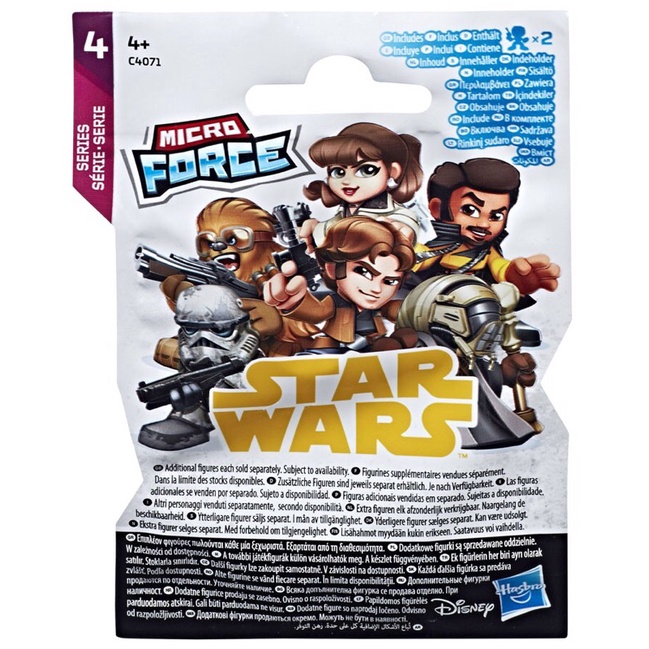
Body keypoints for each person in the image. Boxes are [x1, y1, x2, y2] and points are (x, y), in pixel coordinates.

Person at [264, 217, 418, 353]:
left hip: (372, 345)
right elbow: (317, 311)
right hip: (335, 347)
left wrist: (420, 307)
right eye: (363, 272)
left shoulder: (379, 308)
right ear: (332, 268)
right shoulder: (336, 303)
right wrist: (294, 301)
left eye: (390, 281)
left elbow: (397, 310)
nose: (376, 289)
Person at [413, 158, 560, 296]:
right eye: (469, 210)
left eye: (496, 216)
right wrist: (405, 251)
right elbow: (421, 258)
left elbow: (500, 267)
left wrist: (519, 277)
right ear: (437, 209)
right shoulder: (442, 247)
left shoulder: (487, 252)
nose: (484, 224)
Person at [299, 122, 424, 247]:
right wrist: (316, 230)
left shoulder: (397, 215)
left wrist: (400, 230)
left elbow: (405, 222)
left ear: (393, 171)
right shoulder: (345, 210)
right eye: (338, 172)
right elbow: (333, 229)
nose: (347, 181)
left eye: (366, 170)